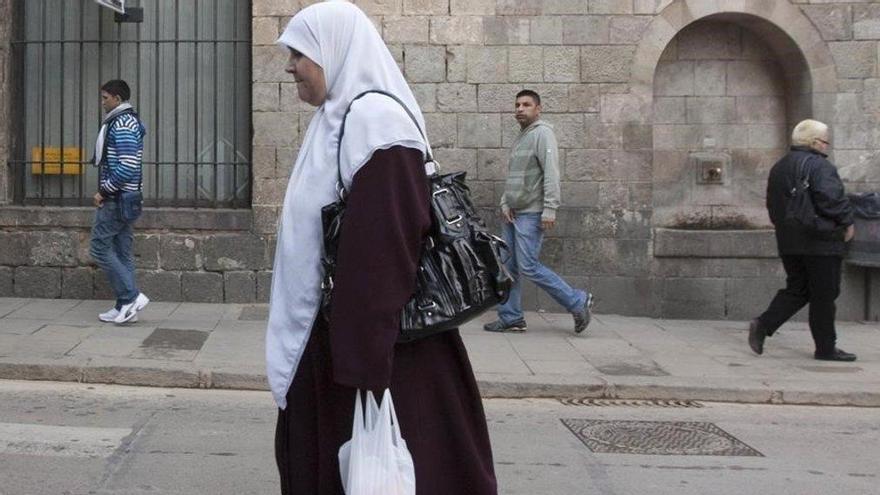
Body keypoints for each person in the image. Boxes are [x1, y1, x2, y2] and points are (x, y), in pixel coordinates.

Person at [265, 3, 497, 494]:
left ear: (333, 51)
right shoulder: (339, 117)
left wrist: (362, 372)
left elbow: (384, 252)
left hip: (373, 350)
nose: (290, 66)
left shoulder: (375, 121)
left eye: (299, 53)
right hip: (347, 339)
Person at [483, 90, 592, 334]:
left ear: (538, 108)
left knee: (529, 266)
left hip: (531, 213)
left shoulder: (543, 134)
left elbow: (551, 173)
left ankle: (577, 301)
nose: (520, 109)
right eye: (517, 105)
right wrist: (504, 203)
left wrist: (550, 209)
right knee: (508, 266)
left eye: (526, 105)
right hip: (512, 213)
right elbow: (514, 176)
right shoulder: (522, 137)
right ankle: (511, 317)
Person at [749, 119, 856, 362]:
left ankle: (764, 324)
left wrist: (785, 230)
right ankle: (826, 348)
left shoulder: (780, 166)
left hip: (789, 240)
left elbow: (772, 204)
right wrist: (847, 221)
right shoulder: (820, 166)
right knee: (824, 295)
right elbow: (831, 199)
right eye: (825, 141)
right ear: (815, 142)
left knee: (798, 288)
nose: (826, 146)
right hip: (821, 241)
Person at [90, 79, 149, 324]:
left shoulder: (122, 123)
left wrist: (104, 191)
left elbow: (127, 166)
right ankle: (125, 306)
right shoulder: (123, 120)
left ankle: (131, 296)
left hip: (117, 198)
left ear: (116, 98)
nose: (102, 102)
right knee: (123, 252)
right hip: (127, 198)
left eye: (105, 98)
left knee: (99, 249)